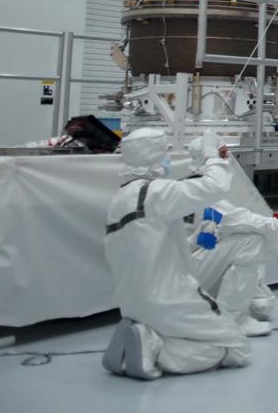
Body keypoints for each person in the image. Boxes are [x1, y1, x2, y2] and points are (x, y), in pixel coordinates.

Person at [101, 128, 251, 379]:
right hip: (170, 296)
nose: (168, 158)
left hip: (131, 300)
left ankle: (141, 341)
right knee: (236, 347)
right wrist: (211, 156)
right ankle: (156, 348)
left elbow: (152, 242)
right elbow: (216, 186)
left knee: (189, 332)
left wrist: (193, 240)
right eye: (165, 152)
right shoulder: (157, 192)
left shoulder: (123, 197)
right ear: (154, 156)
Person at [184, 137, 278, 336]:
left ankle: (242, 303)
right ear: (208, 159)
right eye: (223, 154)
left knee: (263, 305)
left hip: (191, 265)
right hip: (188, 273)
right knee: (250, 239)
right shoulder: (202, 192)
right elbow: (239, 219)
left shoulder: (190, 187)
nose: (228, 159)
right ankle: (234, 318)